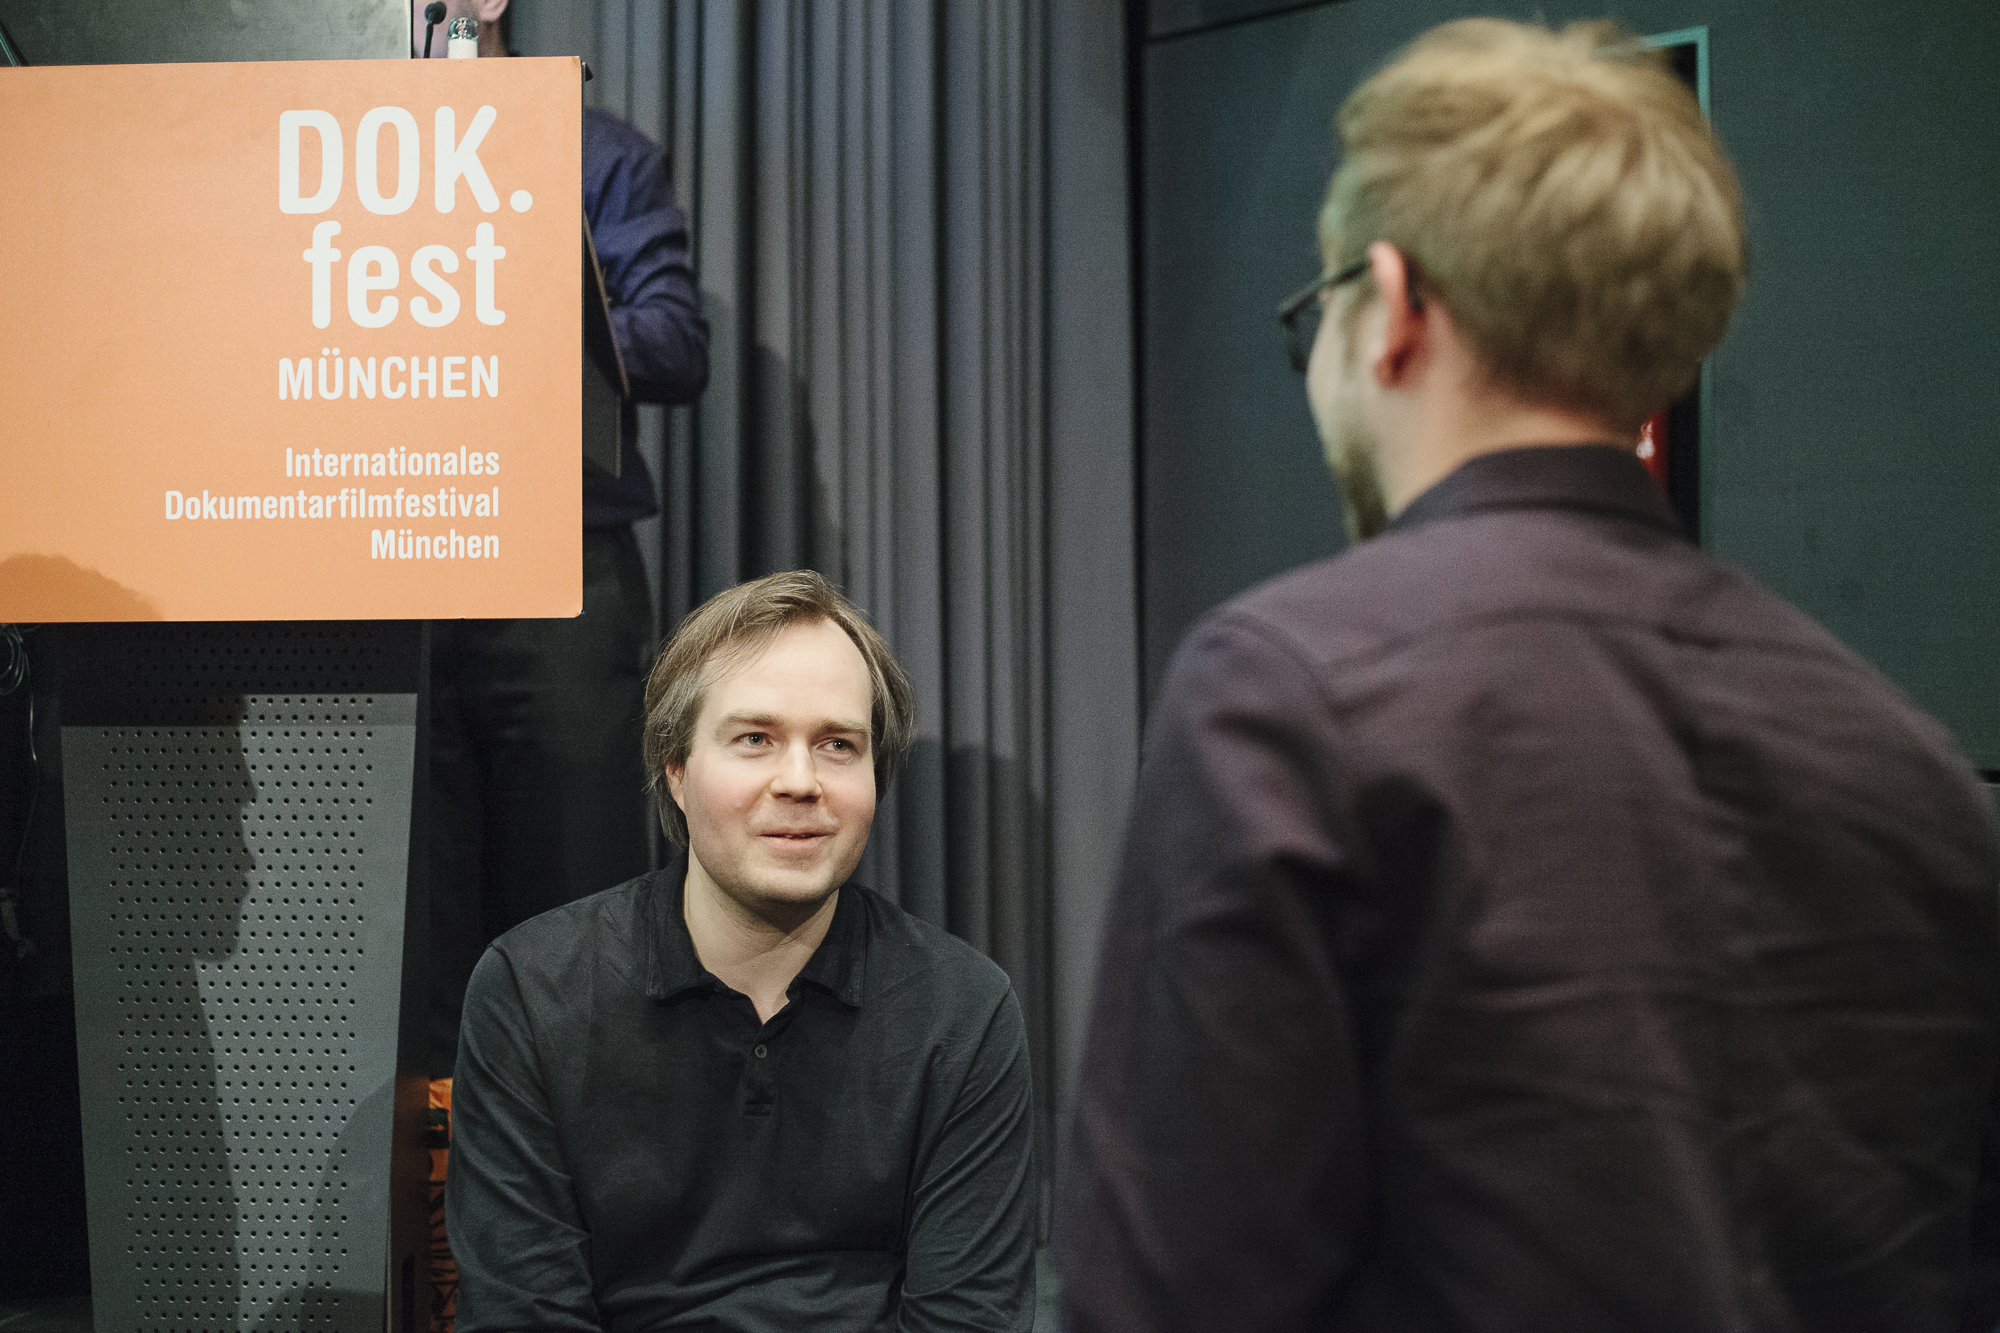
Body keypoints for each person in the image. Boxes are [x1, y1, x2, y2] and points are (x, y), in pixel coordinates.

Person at [1056, 19, 2000, 1332]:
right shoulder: (1918, 772)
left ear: (1393, 306)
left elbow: (1171, 1293)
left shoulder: (1284, 697)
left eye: (1314, 315)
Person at [447, 570, 1037, 1331]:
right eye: (755, 739)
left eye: (838, 745)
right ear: (676, 769)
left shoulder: (964, 1011)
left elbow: (968, 1320)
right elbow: (524, 1317)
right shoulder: (531, 990)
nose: (800, 781)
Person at [412, 0, 713, 1074]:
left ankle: (588, 1162)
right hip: (392, 563)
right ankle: (429, 1174)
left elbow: (673, 338)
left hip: (557, 575)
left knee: (575, 913)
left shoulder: (595, 154)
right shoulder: (351, 162)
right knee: (410, 927)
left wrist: (495, 315)